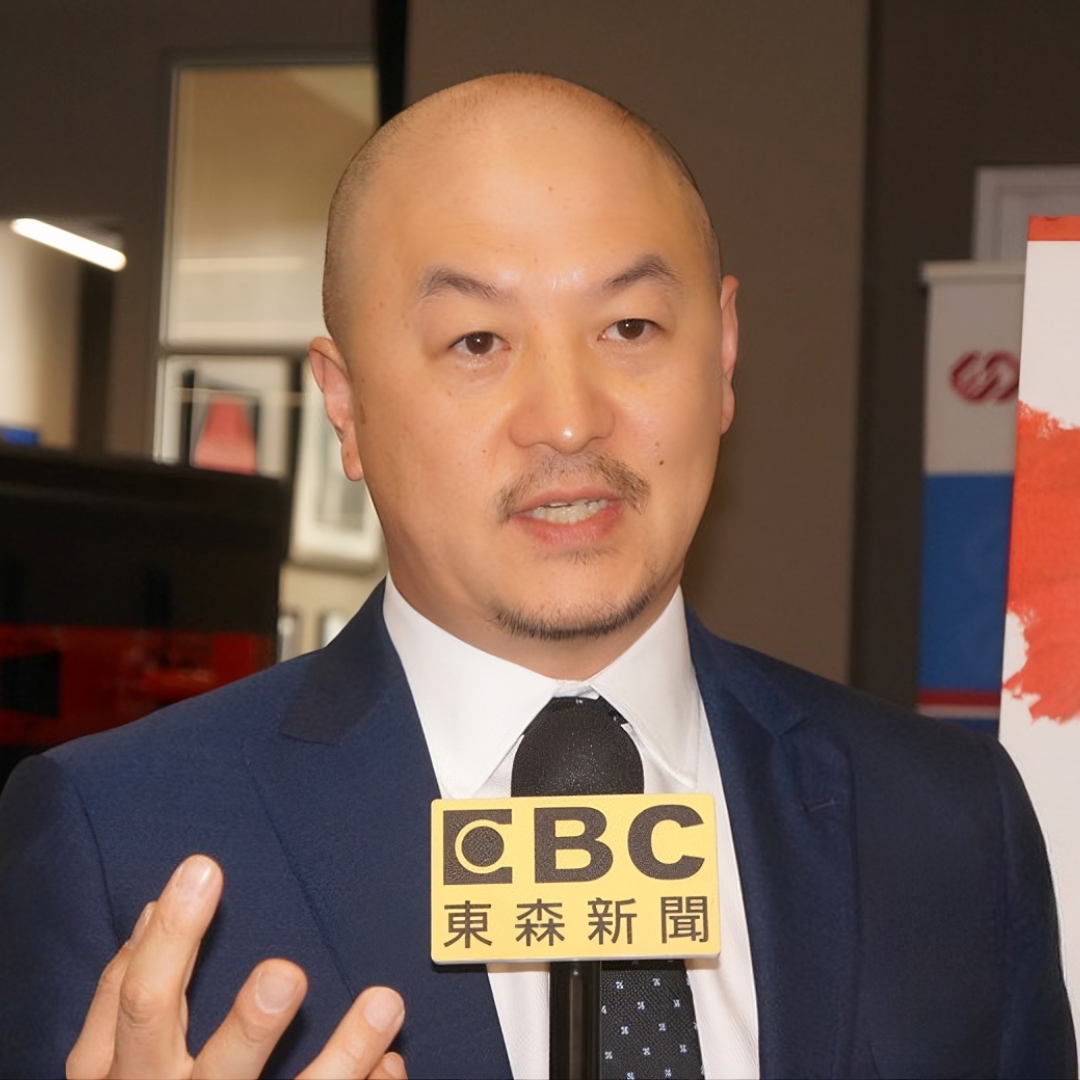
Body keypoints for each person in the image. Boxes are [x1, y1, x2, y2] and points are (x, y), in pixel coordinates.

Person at [0, 73, 1074, 1080]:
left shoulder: (948, 824)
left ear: (725, 354)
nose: (567, 418)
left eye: (631, 326)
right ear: (345, 403)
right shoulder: (120, 843)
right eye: (476, 340)